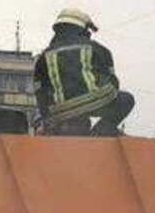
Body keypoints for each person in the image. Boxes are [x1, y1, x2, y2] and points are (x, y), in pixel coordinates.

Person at [33, 8, 134, 136]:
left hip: (61, 111)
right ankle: (97, 134)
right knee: (126, 100)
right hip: (95, 101)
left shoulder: (43, 57)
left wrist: (47, 119)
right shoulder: (98, 49)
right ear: (82, 27)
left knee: (67, 119)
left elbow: (40, 92)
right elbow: (113, 81)